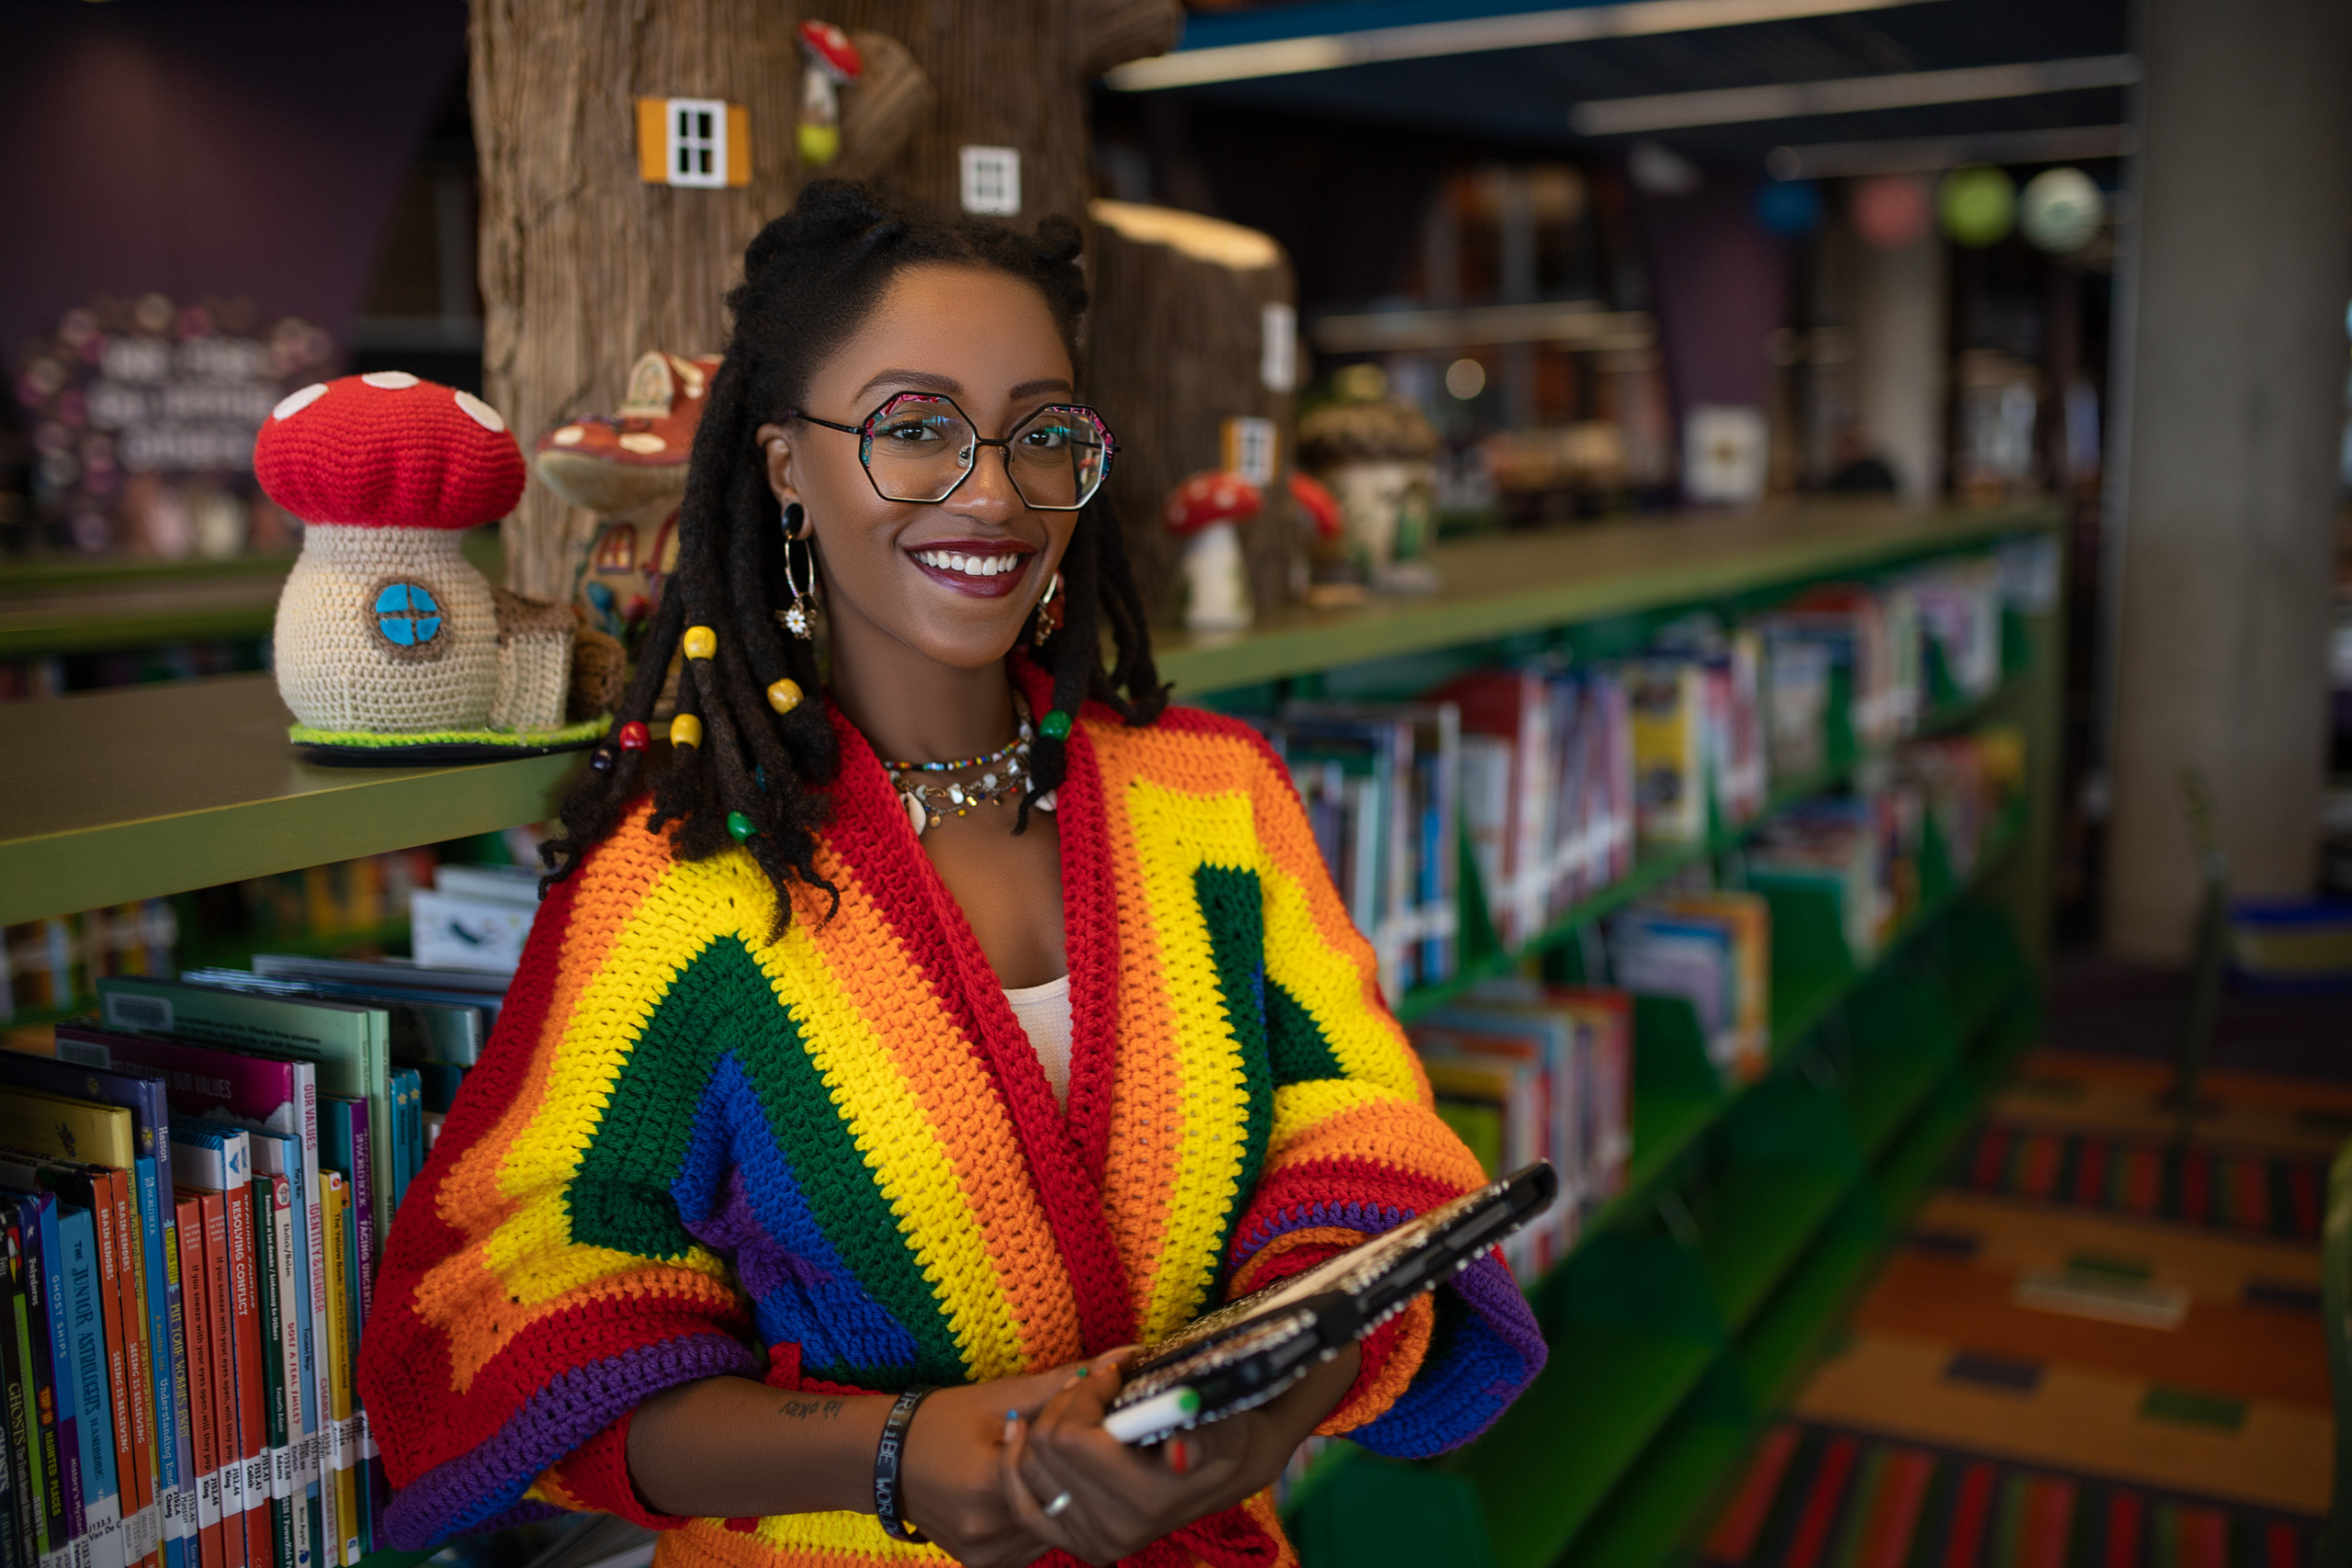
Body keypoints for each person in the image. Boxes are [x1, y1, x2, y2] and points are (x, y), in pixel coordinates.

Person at [357, 180, 1544, 1568]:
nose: (992, 491)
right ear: (784, 463)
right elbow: (511, 1302)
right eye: (912, 428)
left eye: (1042, 434)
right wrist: (894, 1457)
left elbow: (1366, 1133)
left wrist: (1268, 1417)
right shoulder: (684, 883)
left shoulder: (1216, 799)